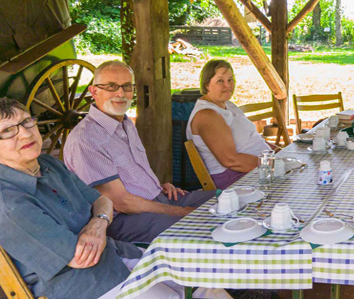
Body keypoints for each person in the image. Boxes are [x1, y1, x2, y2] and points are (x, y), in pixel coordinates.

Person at [0, 98, 183, 299]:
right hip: (83, 285)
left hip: (114, 254)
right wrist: (101, 222)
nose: (25, 133)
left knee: (199, 284)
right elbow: (79, 258)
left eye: (27, 121)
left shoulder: (48, 164)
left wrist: (98, 222)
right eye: (7, 131)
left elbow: (102, 200)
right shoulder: (9, 203)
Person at [64, 61, 215, 244]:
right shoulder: (86, 140)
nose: (120, 93)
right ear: (94, 91)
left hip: (157, 199)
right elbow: (121, 203)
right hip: (125, 219)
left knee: (226, 200)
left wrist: (158, 185)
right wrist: (183, 212)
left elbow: (131, 175)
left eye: (127, 86)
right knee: (204, 227)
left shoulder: (124, 123)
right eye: (111, 86)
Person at [186, 59, 277, 190]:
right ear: (206, 85)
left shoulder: (228, 105)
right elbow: (231, 161)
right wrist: (273, 165)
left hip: (259, 168)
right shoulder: (207, 115)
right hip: (235, 178)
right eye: (220, 81)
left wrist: (280, 153)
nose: (228, 85)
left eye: (230, 79)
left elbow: (253, 139)